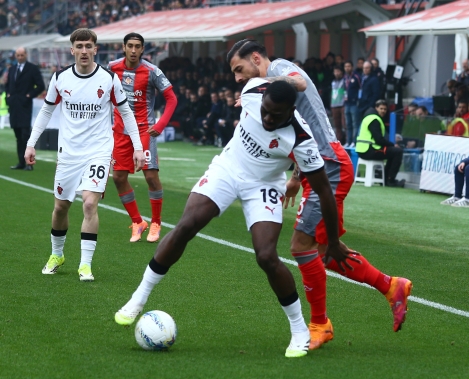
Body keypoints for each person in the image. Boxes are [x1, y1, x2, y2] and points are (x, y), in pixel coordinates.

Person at [115, 79, 352, 358]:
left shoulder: (302, 139)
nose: (266, 118)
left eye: (275, 115)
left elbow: (325, 191)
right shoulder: (253, 92)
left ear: (290, 111)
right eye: (265, 111)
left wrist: (333, 242)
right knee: (186, 226)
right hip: (228, 168)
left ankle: (299, 330)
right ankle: (138, 298)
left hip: (263, 184)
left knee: (266, 256)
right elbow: (258, 71)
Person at [227, 39, 413, 349]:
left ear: (256, 58)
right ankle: (391, 286)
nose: (237, 78)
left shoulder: (277, 69)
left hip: (330, 168)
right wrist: (297, 178)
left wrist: (267, 79)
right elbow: (302, 134)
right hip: (319, 168)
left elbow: (299, 82)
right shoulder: (269, 85)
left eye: (239, 69)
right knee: (326, 253)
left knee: (301, 247)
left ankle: (319, 324)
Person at [24, 28, 145, 281]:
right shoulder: (60, 78)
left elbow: (126, 113)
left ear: (95, 49)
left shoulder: (109, 78)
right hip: (68, 153)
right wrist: (31, 143)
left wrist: (137, 147)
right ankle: (57, 255)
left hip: (98, 151)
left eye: (88, 46)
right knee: (60, 207)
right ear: (72, 50)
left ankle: (85, 265)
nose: (84, 51)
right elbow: (46, 111)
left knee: (90, 203)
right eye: (79, 46)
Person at [109, 32, 177, 243]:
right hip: (121, 132)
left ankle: (156, 222)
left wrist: (160, 124)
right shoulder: (112, 68)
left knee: (150, 177)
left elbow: (172, 98)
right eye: (130, 45)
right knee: (119, 178)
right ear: (123, 47)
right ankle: (138, 222)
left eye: (137, 46)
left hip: (144, 130)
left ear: (142, 49)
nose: (133, 50)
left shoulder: (152, 71)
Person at [5, 46, 44, 170]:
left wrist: (29, 95)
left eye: (22, 55)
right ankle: (21, 162)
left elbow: (40, 85)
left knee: (25, 135)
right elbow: (7, 85)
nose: (20, 57)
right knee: (18, 135)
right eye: (18, 55)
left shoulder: (32, 69)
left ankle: (29, 163)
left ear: (26, 55)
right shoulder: (12, 69)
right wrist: (8, 96)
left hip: (25, 105)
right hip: (14, 106)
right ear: (15, 56)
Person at [357, 100, 405, 187]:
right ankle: (390, 180)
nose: (383, 111)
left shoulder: (369, 116)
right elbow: (379, 140)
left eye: (385, 109)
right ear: (376, 108)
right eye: (381, 108)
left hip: (363, 149)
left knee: (393, 152)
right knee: (398, 151)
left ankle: (385, 178)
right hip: (369, 150)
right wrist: (392, 144)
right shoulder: (374, 119)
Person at [343, 60, 361, 148]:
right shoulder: (344, 77)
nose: (347, 68)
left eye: (349, 66)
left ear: (352, 67)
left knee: (355, 123)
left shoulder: (356, 76)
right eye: (346, 66)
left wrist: (359, 100)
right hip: (347, 103)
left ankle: (354, 141)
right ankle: (348, 141)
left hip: (354, 103)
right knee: (348, 124)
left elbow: (361, 88)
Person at [330, 65, 346, 144]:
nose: (336, 73)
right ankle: (339, 142)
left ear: (342, 72)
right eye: (335, 72)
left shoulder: (345, 81)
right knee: (337, 126)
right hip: (334, 105)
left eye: (338, 71)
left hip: (342, 105)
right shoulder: (333, 82)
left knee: (344, 125)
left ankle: (346, 141)